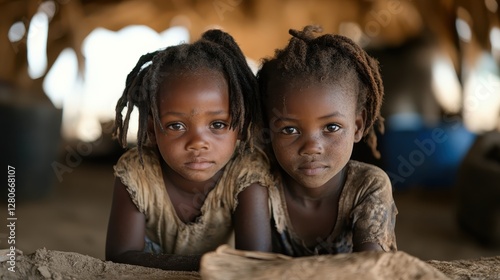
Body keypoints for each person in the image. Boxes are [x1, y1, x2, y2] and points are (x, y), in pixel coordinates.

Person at [105, 29, 273, 271]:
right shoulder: (137, 173)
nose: (197, 142)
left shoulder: (246, 173)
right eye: (176, 125)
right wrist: (208, 265)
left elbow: (255, 261)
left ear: (241, 126)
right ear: (152, 131)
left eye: (217, 124)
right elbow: (119, 256)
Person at [256, 25, 398, 256]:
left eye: (331, 127)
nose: (312, 147)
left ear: (358, 126)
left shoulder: (368, 186)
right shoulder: (259, 183)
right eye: (290, 129)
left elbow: (373, 267)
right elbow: (250, 267)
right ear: (267, 129)